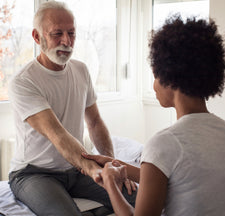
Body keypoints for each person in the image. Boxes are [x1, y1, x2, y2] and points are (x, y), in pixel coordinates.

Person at [83, 15, 225, 216]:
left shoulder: (164, 143)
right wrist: (113, 163)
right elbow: (178, 177)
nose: (154, 85)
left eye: (155, 75)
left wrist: (110, 183)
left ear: (171, 77)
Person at [8, 1, 136, 216]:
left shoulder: (81, 70)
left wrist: (111, 166)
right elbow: (57, 135)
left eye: (72, 33)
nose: (67, 41)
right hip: (34, 174)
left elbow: (94, 122)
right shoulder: (24, 81)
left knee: (139, 196)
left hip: (75, 170)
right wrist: (93, 170)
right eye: (57, 33)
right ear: (37, 37)